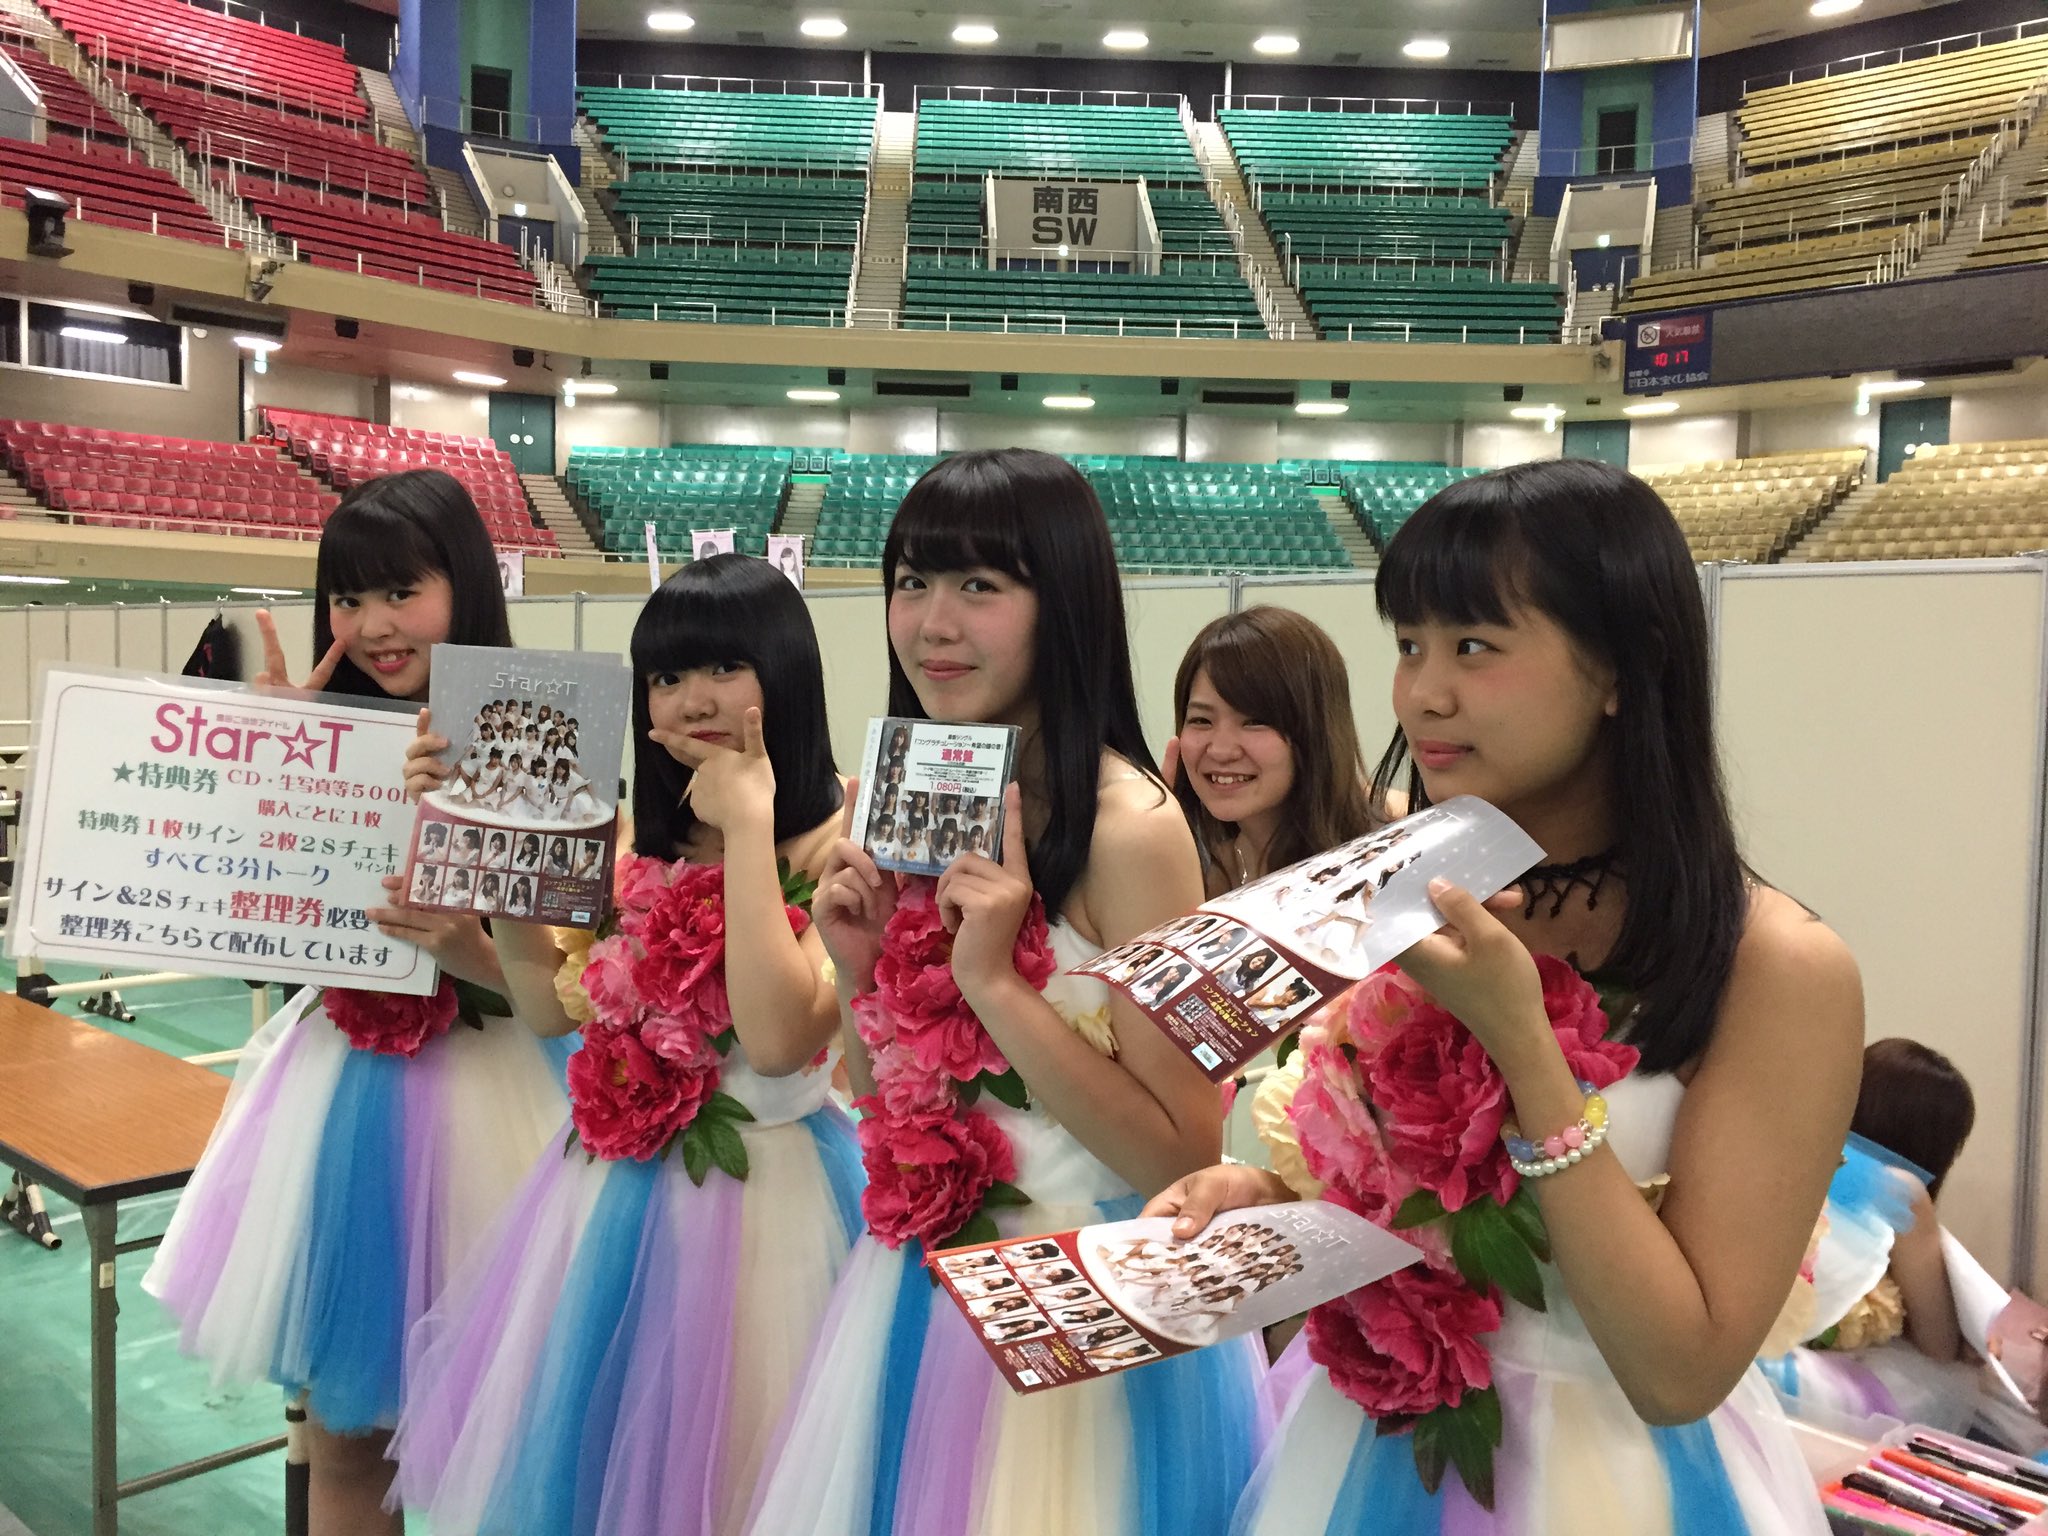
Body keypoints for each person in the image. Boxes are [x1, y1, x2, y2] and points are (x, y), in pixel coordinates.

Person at [1148, 459, 1864, 1534]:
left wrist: (1523, 1047)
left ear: (1620, 665)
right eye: (1409, 644)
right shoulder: (1413, 889)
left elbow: (1679, 1371)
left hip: (1607, 1483)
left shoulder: (1777, 967)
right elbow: (1413, 1200)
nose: (1422, 693)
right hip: (1368, 1454)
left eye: (1474, 647)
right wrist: (1267, 1197)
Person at [746, 448, 1264, 1536]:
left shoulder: (1131, 827)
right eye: (912, 582)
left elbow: (1179, 1153)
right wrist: (857, 968)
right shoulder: (912, 793)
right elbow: (886, 1104)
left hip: (1083, 1304)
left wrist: (991, 984)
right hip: (921, 1293)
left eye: (979, 585)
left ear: (1061, 602)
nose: (933, 624)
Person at [391, 553, 859, 1536]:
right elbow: (548, 1007)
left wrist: (748, 825)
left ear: (785, 670)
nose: (693, 698)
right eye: (666, 675)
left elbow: (779, 1040)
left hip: (771, 1205)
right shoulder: (634, 839)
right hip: (607, 1206)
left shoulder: (841, 839)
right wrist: (493, 839)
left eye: (724, 666)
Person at [142, 470, 572, 1536]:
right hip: (343, 1105)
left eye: (401, 591)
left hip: (502, 1098)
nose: (373, 625)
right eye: (348, 597)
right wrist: (283, 767)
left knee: (512, 1437)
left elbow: (568, 988)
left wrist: (471, 940)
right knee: (344, 1440)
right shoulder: (320, 733)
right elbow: (244, 909)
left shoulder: (534, 733)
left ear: (464, 585)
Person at [1762, 1039, 1988, 1434]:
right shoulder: (1901, 1189)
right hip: (1786, 1375)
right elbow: (1937, 1343)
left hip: (1731, 1344)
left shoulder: (1791, 1147)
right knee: (1953, 1378)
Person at [1167, 606, 1381, 898]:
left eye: (1254, 721)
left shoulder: (1379, 864)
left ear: (1315, 730)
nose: (1221, 750)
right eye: (1201, 720)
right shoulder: (1195, 866)